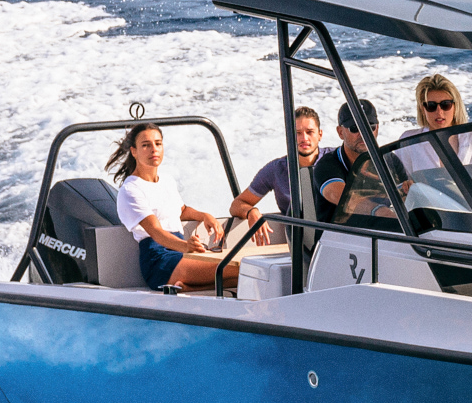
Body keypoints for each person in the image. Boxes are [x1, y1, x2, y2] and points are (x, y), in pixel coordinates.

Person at [106, 122, 238, 291]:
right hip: (159, 260)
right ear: (134, 151)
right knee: (244, 269)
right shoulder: (131, 189)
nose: (154, 149)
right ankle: (183, 285)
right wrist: (187, 247)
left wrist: (205, 216)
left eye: (158, 143)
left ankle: (187, 287)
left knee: (244, 274)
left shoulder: (167, 181)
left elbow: (181, 211)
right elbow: (156, 231)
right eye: (145, 145)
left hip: (181, 252)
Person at [229, 105, 333, 244]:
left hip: (335, 238)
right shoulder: (276, 169)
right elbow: (237, 204)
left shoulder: (335, 160)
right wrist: (252, 212)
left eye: (309, 132)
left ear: (320, 134)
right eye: (297, 133)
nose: (304, 138)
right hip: (297, 245)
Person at [310, 100, 407, 224]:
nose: (363, 134)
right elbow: (339, 196)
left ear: (377, 128)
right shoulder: (327, 164)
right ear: (340, 132)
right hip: (338, 238)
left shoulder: (390, 160)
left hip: (383, 235)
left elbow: (405, 198)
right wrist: (378, 210)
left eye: (370, 126)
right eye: (355, 128)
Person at [396, 72, 472, 175]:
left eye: (445, 105)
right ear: (423, 109)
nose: (439, 112)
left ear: (455, 106)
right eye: (431, 106)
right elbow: (401, 183)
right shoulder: (409, 142)